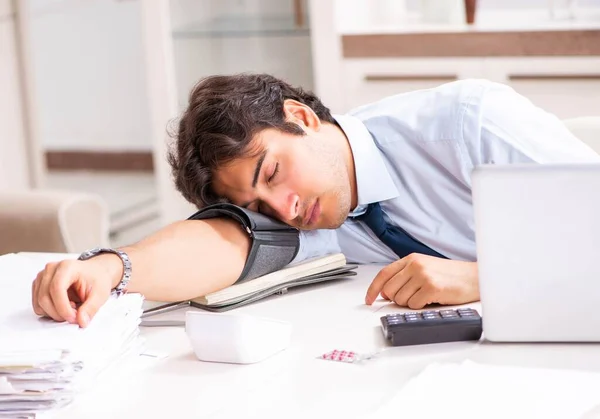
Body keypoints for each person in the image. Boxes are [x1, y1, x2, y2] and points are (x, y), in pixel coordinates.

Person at [31, 74, 599, 327]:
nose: (284, 207)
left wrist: (482, 276)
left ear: (301, 117)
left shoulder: (468, 122)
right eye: (259, 202)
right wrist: (111, 267)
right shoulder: (305, 217)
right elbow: (220, 241)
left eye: (272, 171)